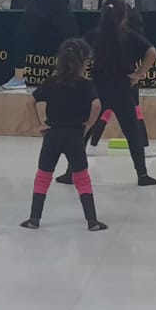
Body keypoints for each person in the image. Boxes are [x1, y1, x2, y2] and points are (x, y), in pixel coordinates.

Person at [22, 39, 107, 231]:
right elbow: (96, 105)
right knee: (82, 178)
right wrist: (88, 125)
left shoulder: (51, 82)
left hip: (52, 136)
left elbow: (30, 101)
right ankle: (92, 221)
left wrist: (38, 125)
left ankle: (34, 219)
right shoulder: (85, 85)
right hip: (75, 136)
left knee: (43, 177)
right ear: (83, 63)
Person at [80, 0, 156, 186]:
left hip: (98, 89)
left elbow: (78, 52)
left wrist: (81, 77)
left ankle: (71, 172)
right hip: (123, 89)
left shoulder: (93, 34)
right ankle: (142, 175)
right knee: (132, 134)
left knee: (85, 131)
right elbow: (152, 53)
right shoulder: (130, 35)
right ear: (124, 15)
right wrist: (138, 74)